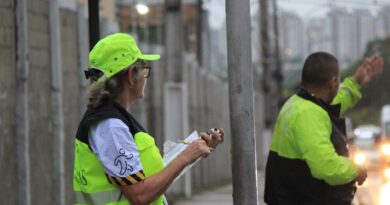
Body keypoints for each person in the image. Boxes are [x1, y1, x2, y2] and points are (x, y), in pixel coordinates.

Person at [73, 33, 224, 205]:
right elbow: (139, 195)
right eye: (144, 70)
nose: (145, 77)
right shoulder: (110, 126)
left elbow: (147, 178)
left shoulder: (114, 120)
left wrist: (194, 151)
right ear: (131, 75)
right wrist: (186, 157)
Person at [264, 52, 384, 205]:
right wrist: (356, 170)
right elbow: (325, 166)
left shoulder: (299, 103)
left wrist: (355, 82)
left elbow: (334, 104)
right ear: (333, 81)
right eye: (338, 79)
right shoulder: (309, 114)